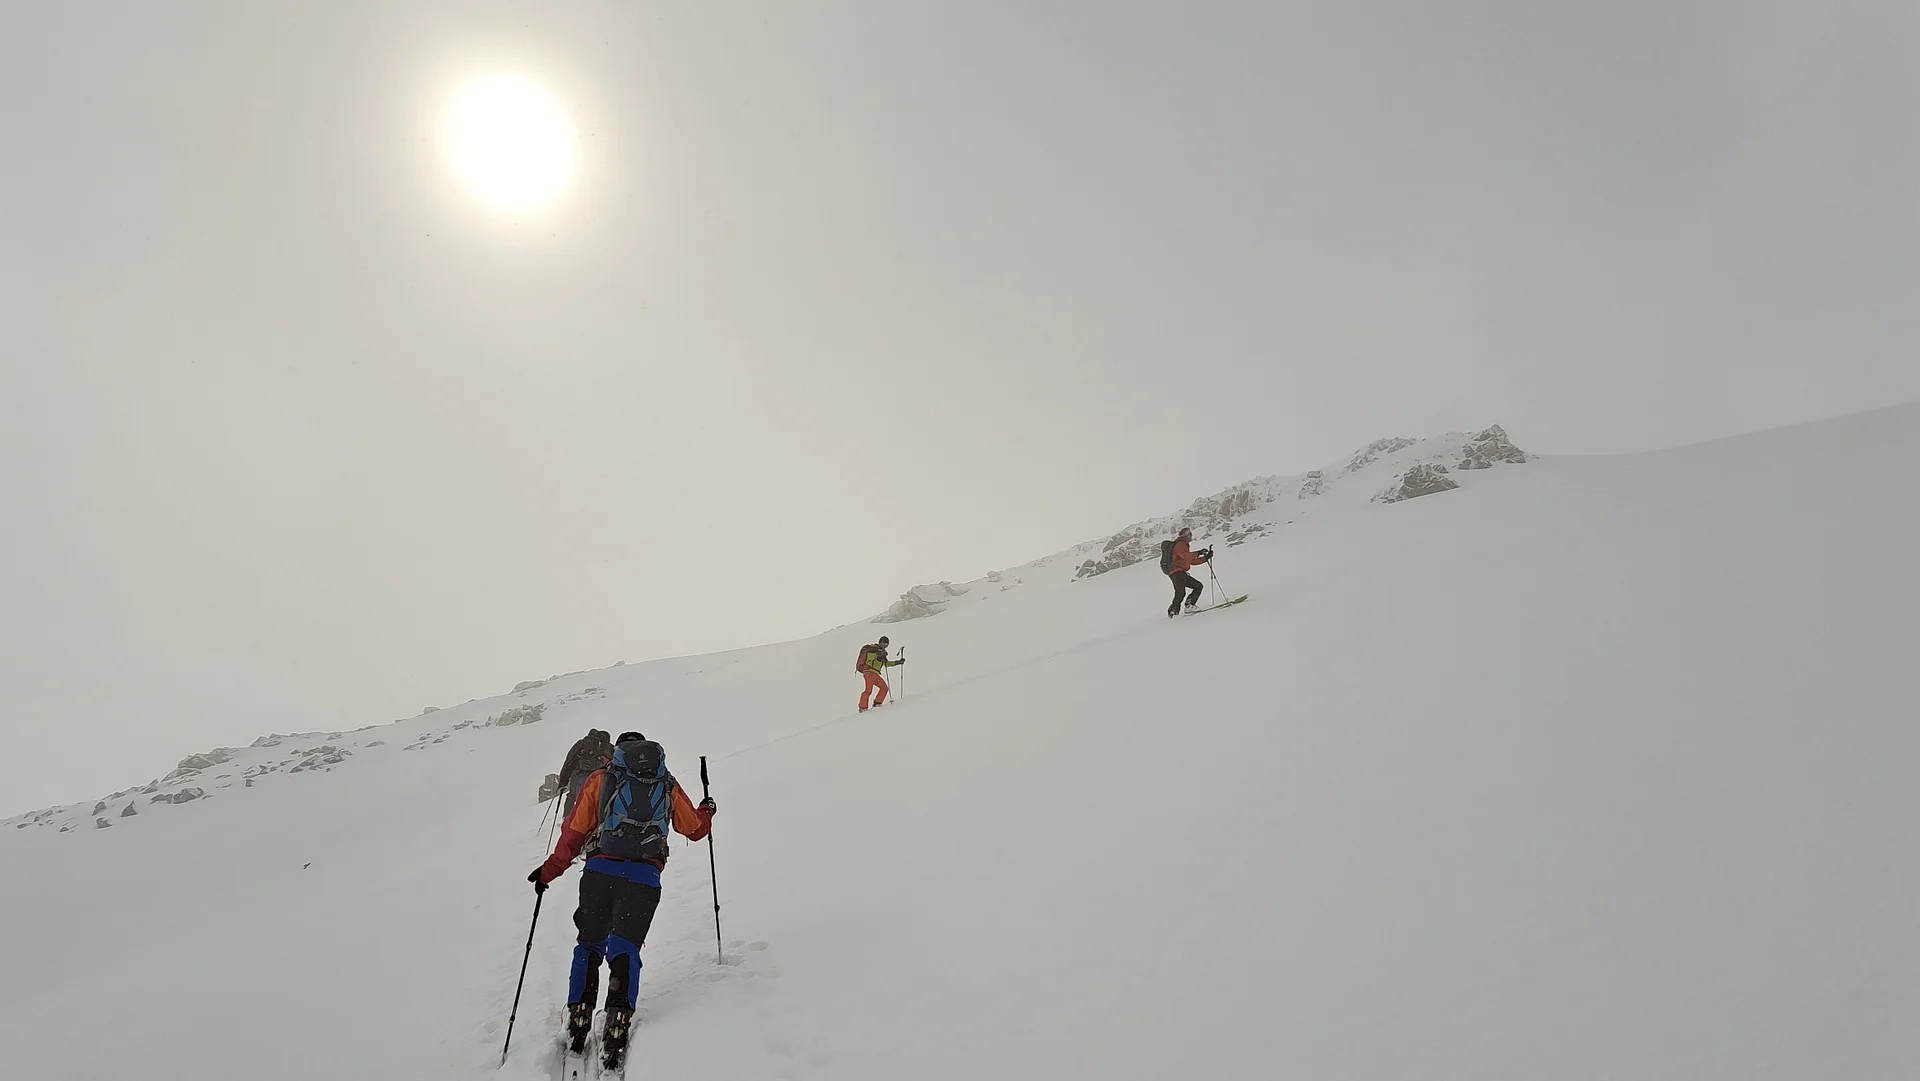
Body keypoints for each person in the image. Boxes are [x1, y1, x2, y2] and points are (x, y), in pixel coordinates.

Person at [529, 732, 715, 1067]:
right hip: (644, 878)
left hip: (600, 873)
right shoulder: (666, 783)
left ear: (617, 752)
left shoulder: (602, 779)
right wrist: (707, 810)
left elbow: (573, 833)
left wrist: (548, 872)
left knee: (589, 944)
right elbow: (694, 829)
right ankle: (618, 1020)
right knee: (625, 947)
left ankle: (579, 1016)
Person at [555, 728, 612, 815]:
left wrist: (563, 782)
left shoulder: (582, 743)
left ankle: (568, 817)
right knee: (596, 800)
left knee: (573, 796)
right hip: (601, 776)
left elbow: (569, 762)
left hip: (579, 774)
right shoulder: (609, 748)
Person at [1164, 526, 1213, 617]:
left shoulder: (1184, 545)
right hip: (1177, 572)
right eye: (1190, 534)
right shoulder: (1180, 544)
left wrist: (1205, 558)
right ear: (1186, 535)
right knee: (1182, 592)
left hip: (1178, 572)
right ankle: (1179, 610)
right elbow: (1185, 556)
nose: (1191, 535)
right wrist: (1198, 553)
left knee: (1195, 587)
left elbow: (1191, 561)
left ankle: (1175, 611)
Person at [855, 635, 905, 712]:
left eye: (886, 644)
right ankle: (863, 707)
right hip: (869, 672)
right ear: (880, 642)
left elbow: (886, 664)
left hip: (875, 674)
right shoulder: (873, 648)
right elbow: (869, 657)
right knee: (868, 690)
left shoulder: (882, 653)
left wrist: (898, 662)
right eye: (884, 643)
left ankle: (877, 703)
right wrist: (878, 654)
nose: (885, 645)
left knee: (884, 688)